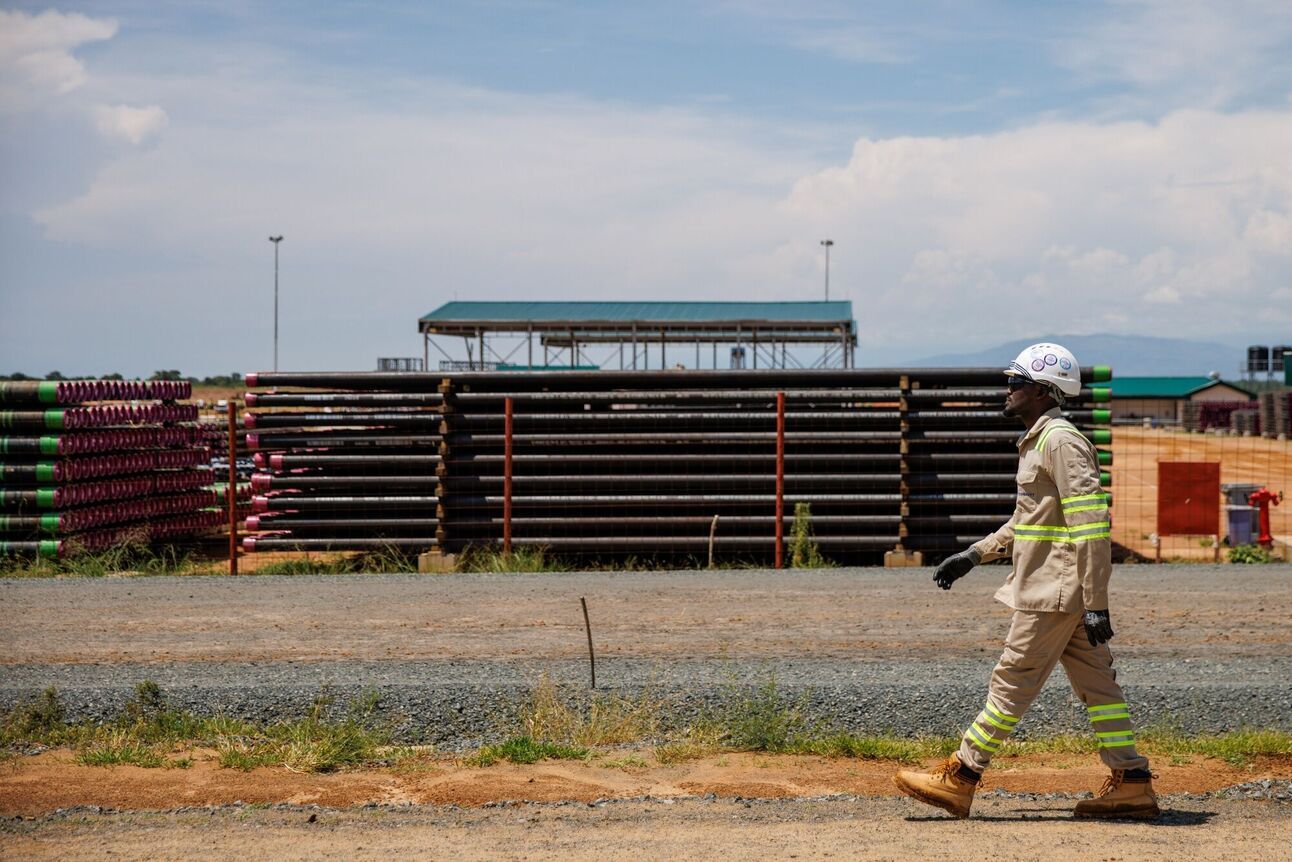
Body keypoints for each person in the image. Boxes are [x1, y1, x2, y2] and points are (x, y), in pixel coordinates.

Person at [891, 343, 1158, 820]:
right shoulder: (1041, 440)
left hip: (1053, 592)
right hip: (1062, 591)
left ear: (1041, 389)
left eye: (1015, 382)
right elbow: (1026, 523)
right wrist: (973, 555)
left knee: (1011, 681)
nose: (1007, 390)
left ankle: (962, 775)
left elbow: (1092, 523)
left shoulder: (1059, 441)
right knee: (1100, 688)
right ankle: (1132, 783)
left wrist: (1096, 601)